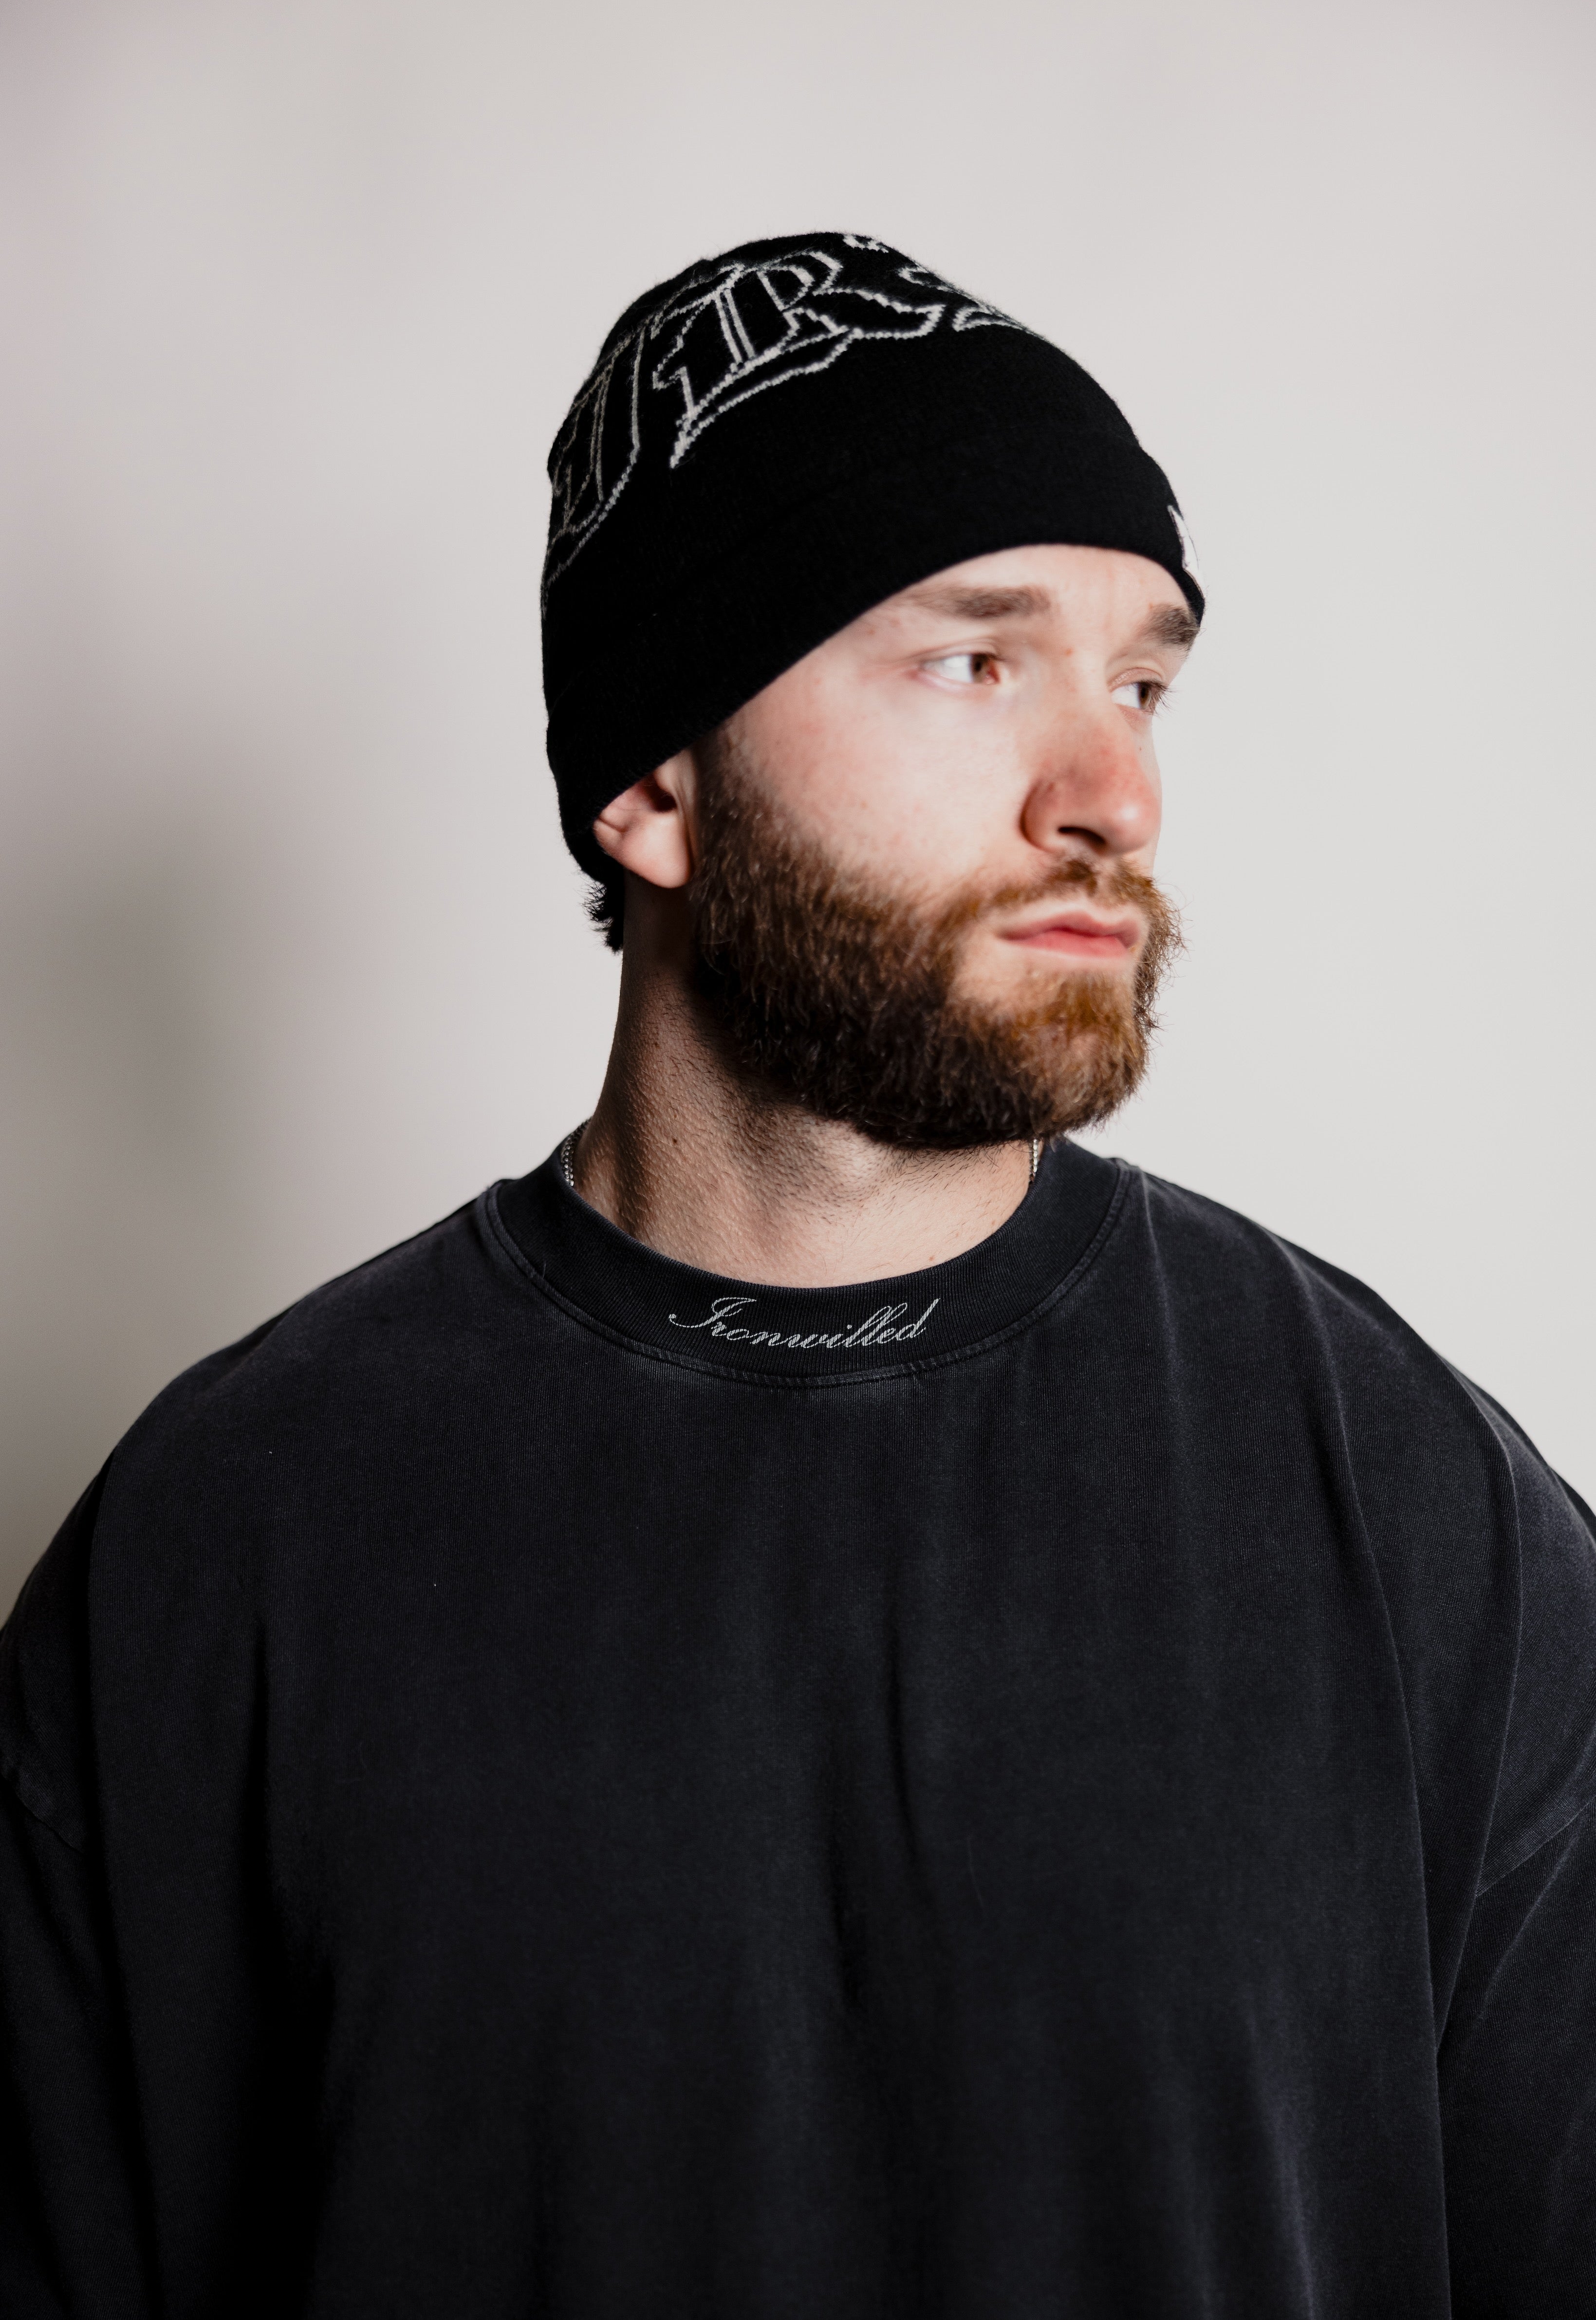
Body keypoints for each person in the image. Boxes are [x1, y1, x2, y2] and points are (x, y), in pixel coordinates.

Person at [2, 231, 1593, 2318]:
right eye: (974, 661)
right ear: (654, 782)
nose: (1114, 794)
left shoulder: (1408, 1506)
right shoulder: (226, 1543)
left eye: (1140, 682)